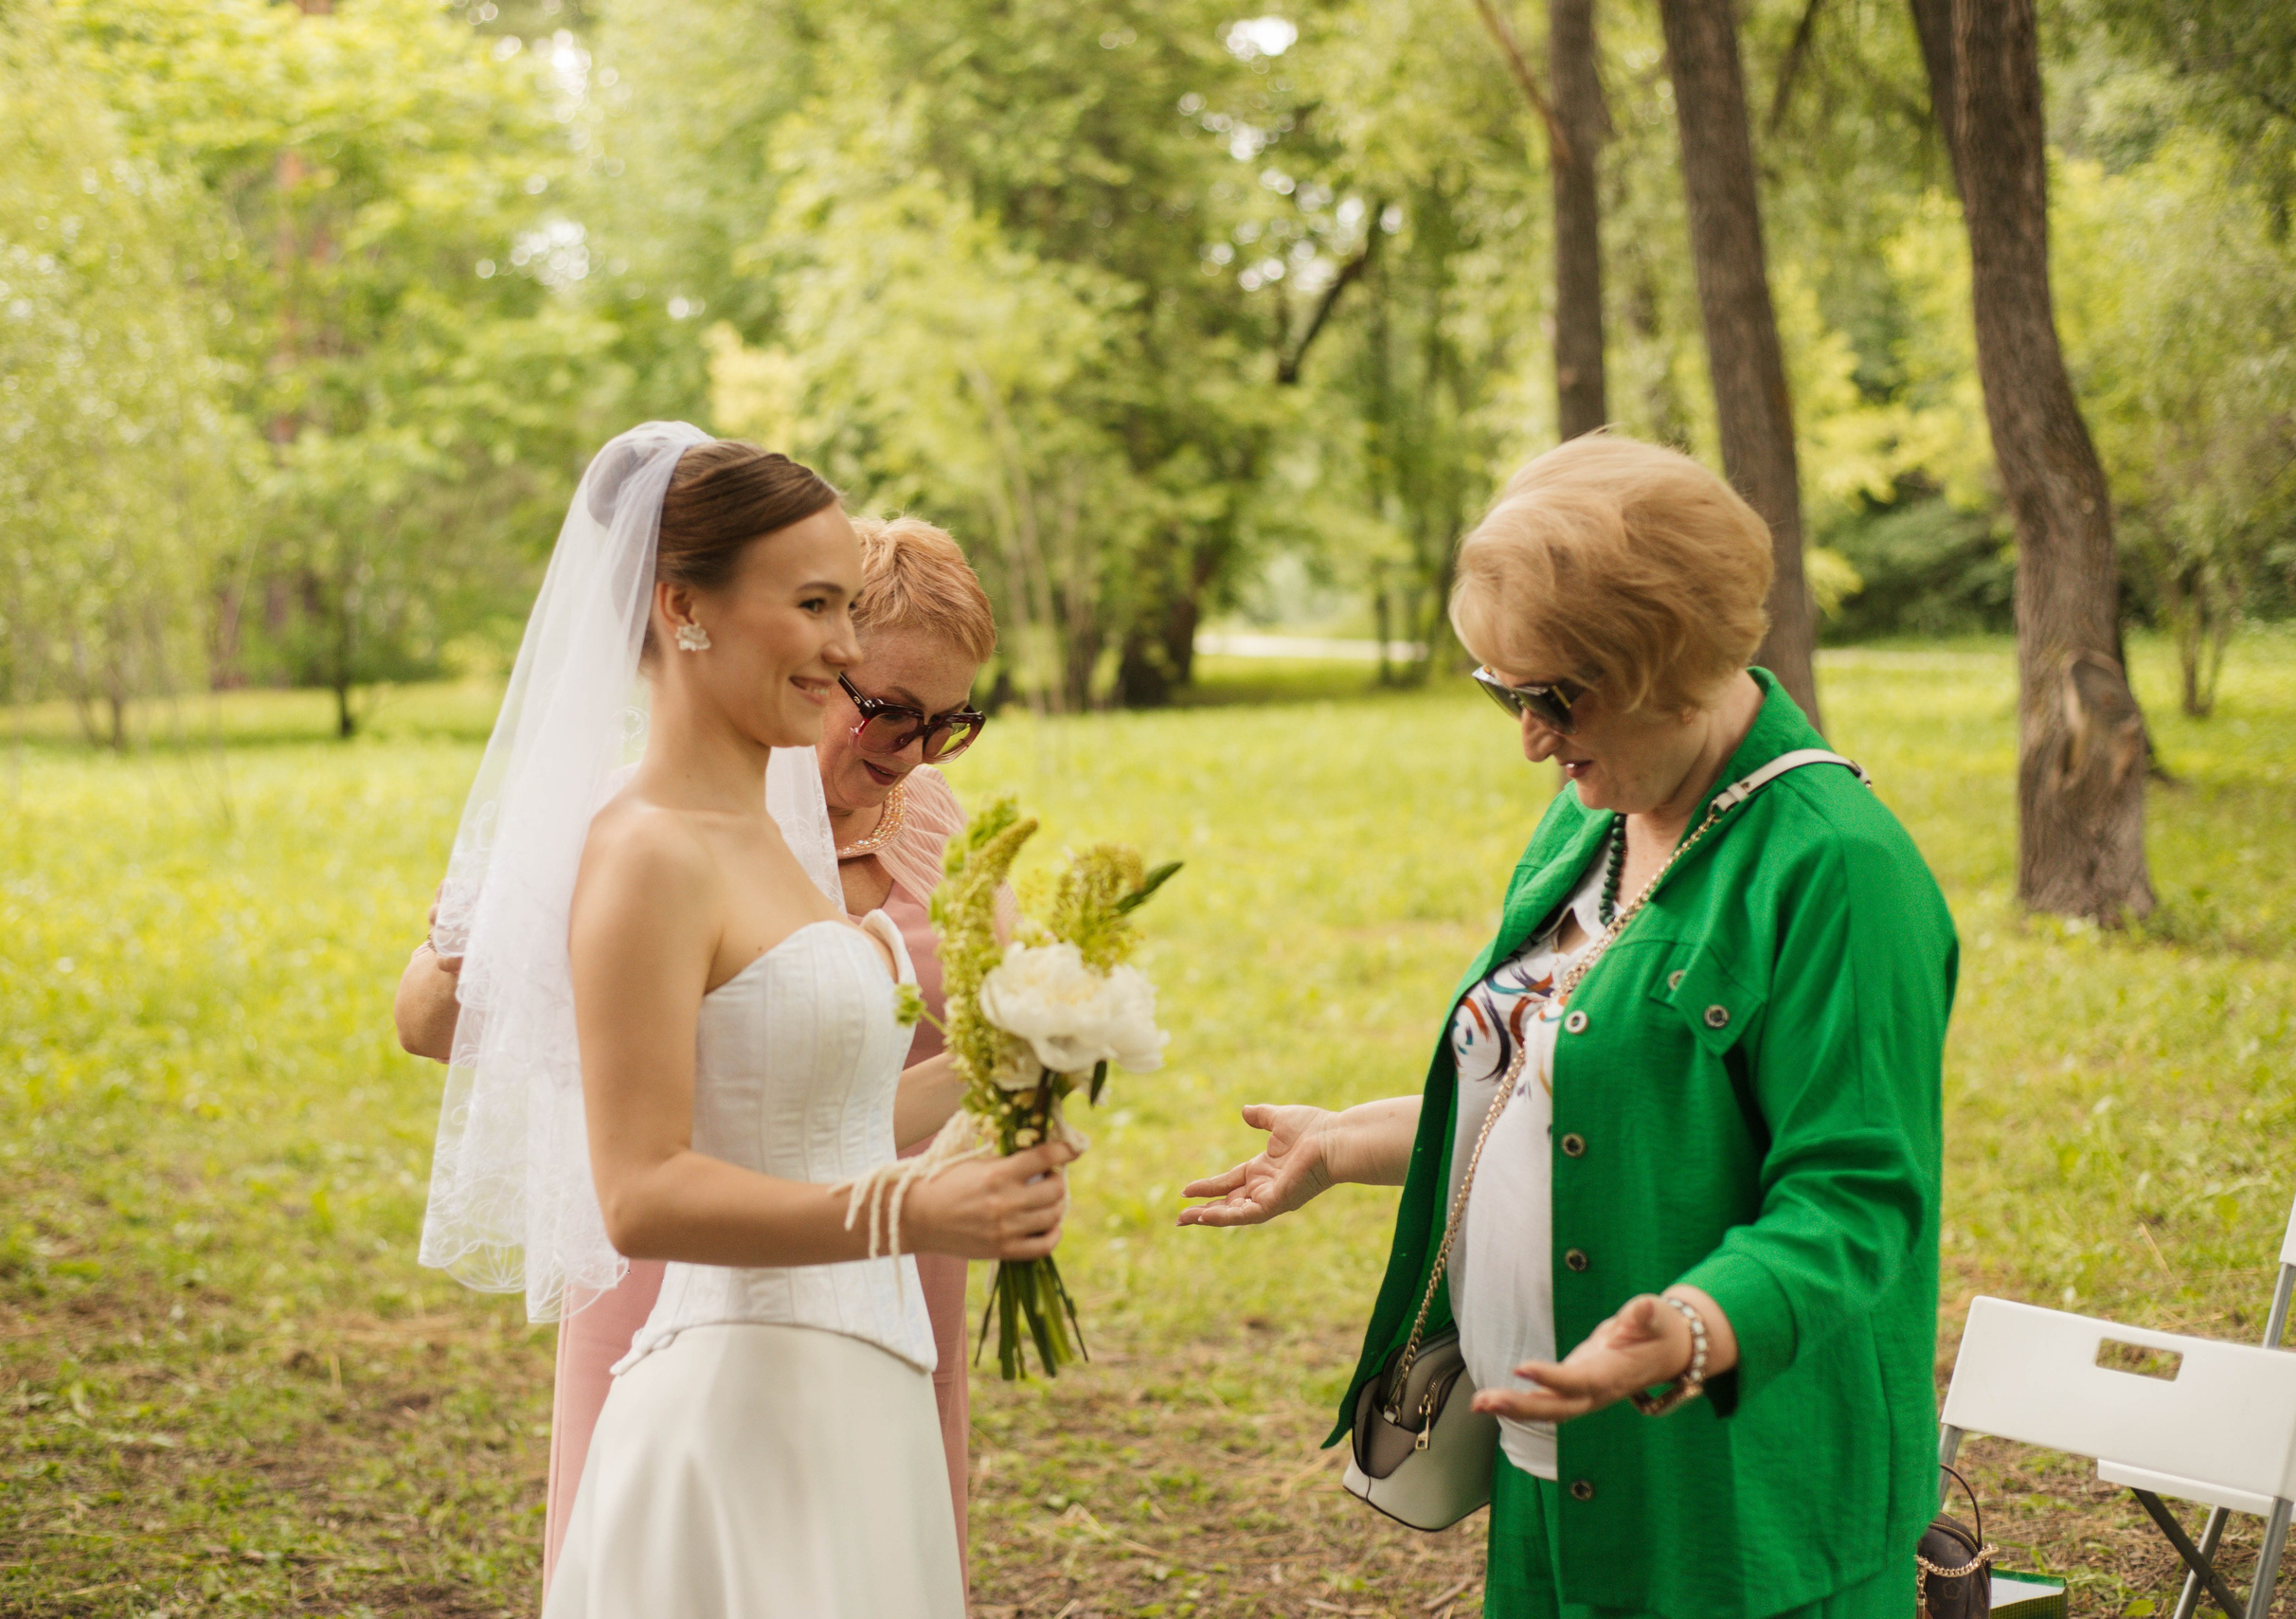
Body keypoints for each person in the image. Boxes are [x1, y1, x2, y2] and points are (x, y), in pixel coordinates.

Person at [1179, 433, 1956, 1618]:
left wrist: (1692, 1325)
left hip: (1733, 1499)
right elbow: (1551, 1098)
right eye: (1505, 690)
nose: (1531, 734)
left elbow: (1858, 1197)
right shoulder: (1586, 821)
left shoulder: (1837, 869)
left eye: (1554, 693)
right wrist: (1344, 1143)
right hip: (1558, 1463)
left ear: (1671, 660)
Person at [411, 424, 1067, 1618]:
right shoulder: (638, 843)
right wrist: (909, 1200)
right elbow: (639, 1180)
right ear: (684, 610)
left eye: (843, 612)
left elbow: (831, 1098)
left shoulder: (768, 837)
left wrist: (1017, 1069)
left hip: (862, 1345)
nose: (840, 644)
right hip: (727, 1339)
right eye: (819, 608)